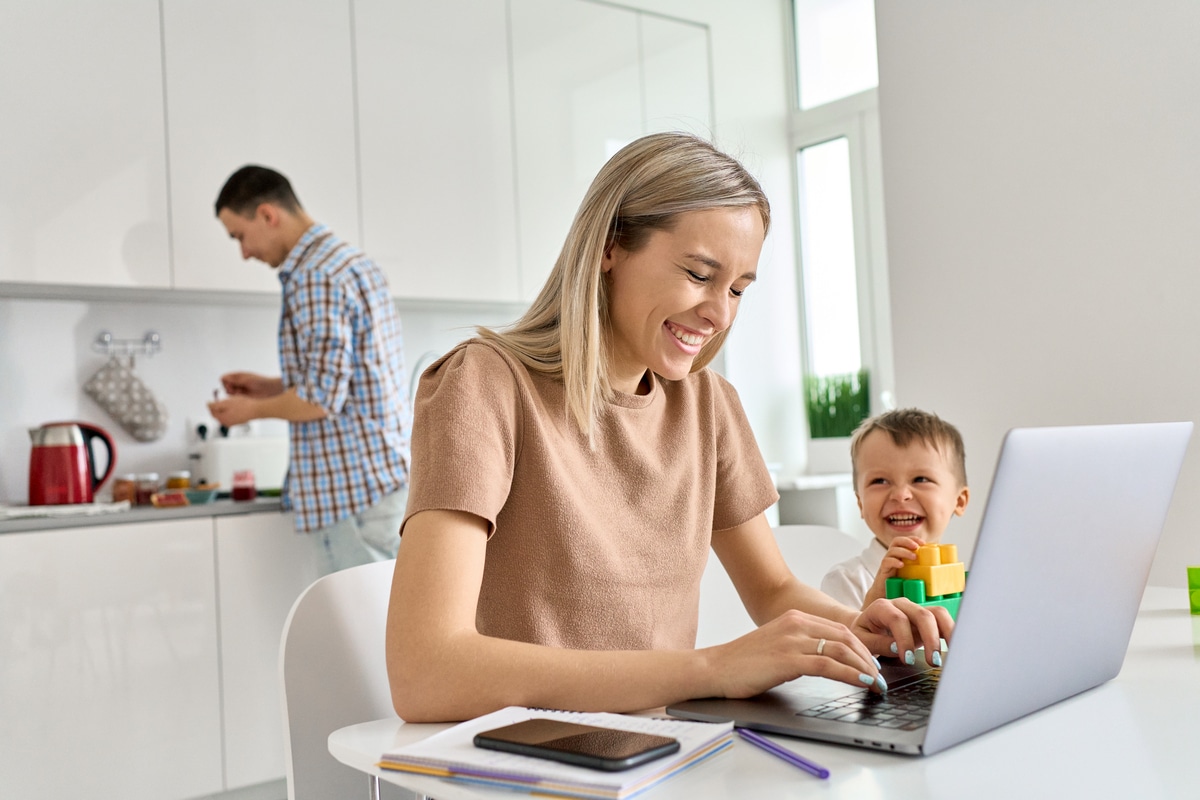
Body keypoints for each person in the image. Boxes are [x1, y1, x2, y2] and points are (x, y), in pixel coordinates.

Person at [386, 133, 952, 724]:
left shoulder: (707, 405)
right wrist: (711, 670)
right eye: (699, 274)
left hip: (664, 752)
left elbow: (774, 592)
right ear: (611, 247)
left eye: (737, 289)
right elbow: (426, 672)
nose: (721, 313)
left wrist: (863, 633)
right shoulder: (484, 384)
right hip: (534, 760)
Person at [207, 165, 411, 575]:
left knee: (362, 636)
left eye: (239, 236)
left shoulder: (314, 276)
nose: (244, 252)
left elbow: (321, 397)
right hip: (381, 480)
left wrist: (250, 412)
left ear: (267, 214)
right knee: (384, 628)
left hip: (352, 492)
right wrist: (267, 388)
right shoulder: (349, 262)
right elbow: (349, 378)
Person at [821, 408, 971, 610]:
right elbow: (842, 641)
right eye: (880, 481)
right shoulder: (845, 583)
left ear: (959, 501)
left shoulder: (971, 584)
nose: (901, 495)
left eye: (921, 479)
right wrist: (868, 616)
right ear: (860, 504)